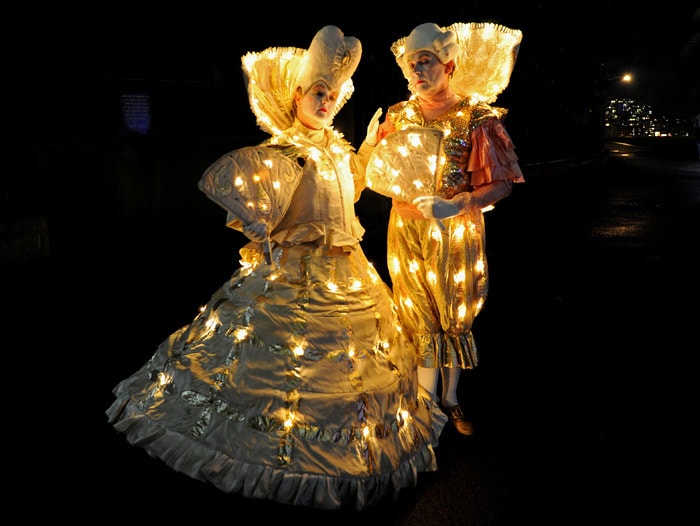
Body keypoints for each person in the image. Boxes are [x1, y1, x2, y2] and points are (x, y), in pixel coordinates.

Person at [106, 25, 444, 510]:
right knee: (279, 371)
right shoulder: (285, 151)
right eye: (319, 94)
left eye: (333, 95)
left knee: (355, 376)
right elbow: (253, 194)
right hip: (297, 277)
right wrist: (260, 221)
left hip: (348, 272)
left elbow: (351, 193)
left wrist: (368, 145)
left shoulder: (335, 148)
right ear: (299, 96)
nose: (326, 103)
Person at [364, 22, 525, 436]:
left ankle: (450, 399)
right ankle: (423, 406)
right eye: (412, 64)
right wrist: (367, 146)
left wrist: (456, 204)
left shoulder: (476, 116)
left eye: (427, 61)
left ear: (448, 64)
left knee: (453, 314)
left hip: (455, 232)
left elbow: (502, 182)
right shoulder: (398, 116)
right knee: (417, 315)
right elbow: (373, 171)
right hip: (404, 228)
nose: (418, 71)